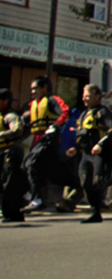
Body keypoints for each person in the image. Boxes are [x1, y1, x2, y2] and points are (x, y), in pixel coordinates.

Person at [67, 84, 112, 224]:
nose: (85, 99)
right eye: (84, 97)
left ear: (97, 97)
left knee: (99, 181)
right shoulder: (84, 114)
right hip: (86, 154)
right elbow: (82, 135)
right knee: (85, 182)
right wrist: (75, 149)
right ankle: (95, 212)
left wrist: (101, 145)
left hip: (102, 154)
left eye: (88, 97)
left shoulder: (104, 112)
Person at [21, 76, 70, 213]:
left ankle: (36, 198)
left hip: (49, 138)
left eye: (35, 88)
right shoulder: (32, 104)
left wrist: (55, 126)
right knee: (32, 166)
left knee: (31, 163)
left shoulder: (53, 100)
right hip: (36, 139)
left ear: (44, 88)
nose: (32, 92)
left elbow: (65, 112)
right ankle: (39, 196)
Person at [0, 89, 29, 223]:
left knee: (9, 184)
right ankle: (12, 212)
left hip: (11, 152)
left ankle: (11, 213)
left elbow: (17, 130)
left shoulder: (10, 116)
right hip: (2, 153)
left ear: (5, 101)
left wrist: (2, 135)